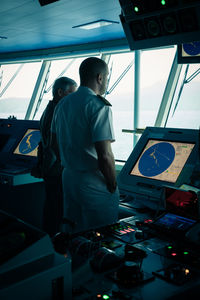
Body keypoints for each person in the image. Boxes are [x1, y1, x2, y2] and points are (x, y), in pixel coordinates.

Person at [51, 57, 119, 234]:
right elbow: (105, 155)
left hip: (69, 177)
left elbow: (53, 142)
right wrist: (112, 184)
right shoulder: (98, 106)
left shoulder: (63, 104)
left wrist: (69, 161)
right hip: (93, 181)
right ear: (99, 77)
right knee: (102, 236)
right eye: (107, 76)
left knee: (73, 232)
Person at [39, 76, 77, 236]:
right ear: (60, 92)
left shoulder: (50, 109)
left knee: (51, 210)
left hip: (51, 170)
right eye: (71, 93)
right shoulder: (57, 112)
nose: (74, 98)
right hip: (56, 171)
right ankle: (54, 250)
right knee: (56, 212)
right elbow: (55, 144)